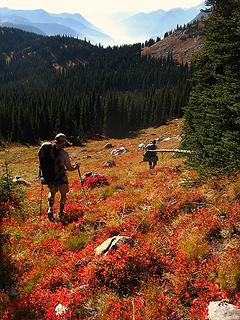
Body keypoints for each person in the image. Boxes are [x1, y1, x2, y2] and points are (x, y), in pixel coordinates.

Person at [40, 133, 79, 222]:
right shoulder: (63, 153)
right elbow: (69, 168)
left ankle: (50, 209)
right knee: (63, 194)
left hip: (50, 177)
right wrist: (76, 167)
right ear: (63, 142)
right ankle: (61, 212)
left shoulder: (48, 151)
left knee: (52, 193)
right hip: (61, 177)